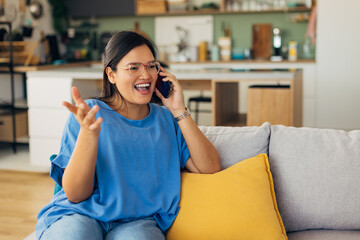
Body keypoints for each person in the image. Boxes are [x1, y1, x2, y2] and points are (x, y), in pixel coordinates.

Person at [35, 31, 221, 240]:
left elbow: (210, 167)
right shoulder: (89, 113)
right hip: (81, 214)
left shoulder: (166, 119)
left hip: (139, 222)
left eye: (152, 66)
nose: (146, 75)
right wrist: (89, 136)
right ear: (111, 74)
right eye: (134, 67)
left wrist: (178, 110)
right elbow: (76, 195)